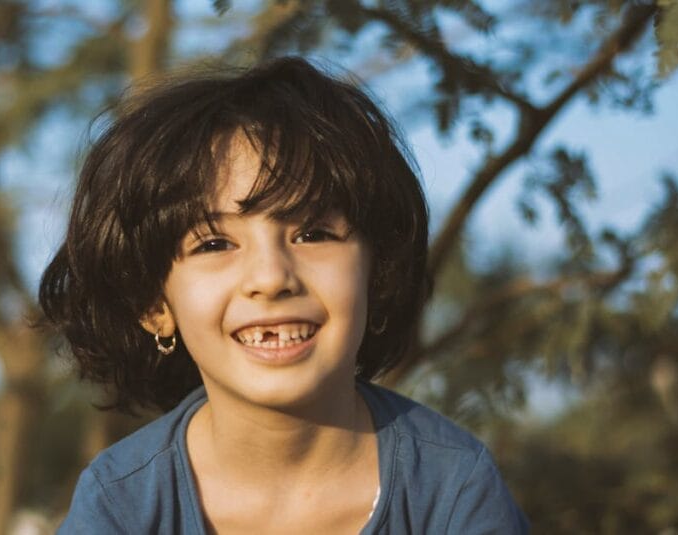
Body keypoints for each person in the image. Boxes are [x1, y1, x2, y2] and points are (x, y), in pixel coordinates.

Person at [39, 57, 529, 534]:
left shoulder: (452, 491)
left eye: (314, 233)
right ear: (152, 304)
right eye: (214, 243)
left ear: (376, 272)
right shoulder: (120, 505)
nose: (272, 278)